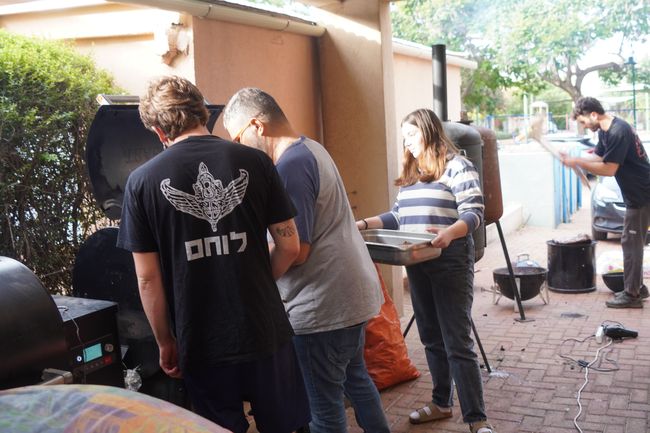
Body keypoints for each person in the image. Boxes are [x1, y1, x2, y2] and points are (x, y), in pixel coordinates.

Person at [116, 76, 310, 433]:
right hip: (264, 328)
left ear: (158, 131)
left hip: (200, 338)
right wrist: (253, 282)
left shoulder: (141, 182)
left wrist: (165, 341)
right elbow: (290, 246)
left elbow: (147, 278)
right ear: (203, 112)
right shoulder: (256, 161)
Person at [222, 87, 389, 433]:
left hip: (322, 307)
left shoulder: (290, 167)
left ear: (257, 126)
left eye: (237, 139)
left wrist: (255, 286)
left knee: (323, 410)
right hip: (350, 297)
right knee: (356, 381)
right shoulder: (311, 148)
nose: (238, 149)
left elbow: (296, 250)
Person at [357, 108, 496, 433]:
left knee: (457, 341)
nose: (406, 142)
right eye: (404, 136)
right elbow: (397, 217)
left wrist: (449, 233)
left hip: (451, 258)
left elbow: (474, 212)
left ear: (429, 132)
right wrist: (362, 224)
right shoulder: (413, 173)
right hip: (418, 258)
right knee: (431, 337)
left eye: (411, 134)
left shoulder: (458, 166)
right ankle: (441, 403)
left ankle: (477, 419)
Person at [561, 96, 650, 308]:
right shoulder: (605, 130)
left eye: (583, 121)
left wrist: (578, 162)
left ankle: (632, 295)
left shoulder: (619, 131)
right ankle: (637, 287)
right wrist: (574, 158)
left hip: (642, 194)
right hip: (635, 194)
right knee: (631, 242)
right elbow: (599, 157)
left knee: (631, 243)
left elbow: (609, 169)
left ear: (593, 114)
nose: (584, 126)